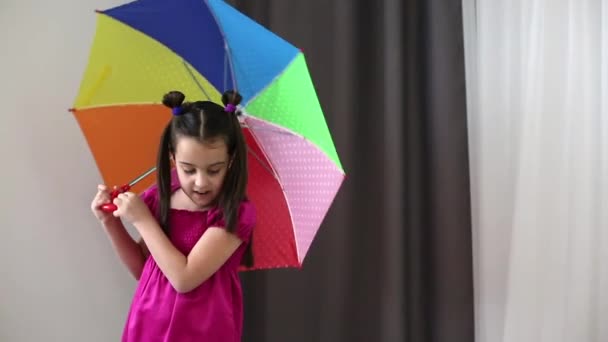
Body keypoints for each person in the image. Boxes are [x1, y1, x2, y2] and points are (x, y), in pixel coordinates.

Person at [90, 90, 255, 342]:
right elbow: (143, 269)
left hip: (203, 331)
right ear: (173, 158)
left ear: (230, 161)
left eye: (214, 170)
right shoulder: (160, 198)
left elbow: (184, 279)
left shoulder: (234, 212)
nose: (200, 182)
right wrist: (110, 222)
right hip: (149, 322)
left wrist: (143, 220)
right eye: (188, 169)